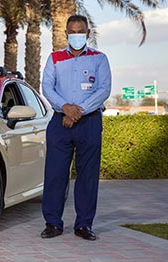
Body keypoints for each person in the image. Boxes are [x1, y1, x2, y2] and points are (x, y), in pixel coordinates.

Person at [40, 14, 111, 241]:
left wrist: (77, 111)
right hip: (60, 123)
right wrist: (65, 107)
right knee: (54, 175)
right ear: (66, 34)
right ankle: (52, 223)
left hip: (89, 123)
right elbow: (47, 88)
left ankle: (84, 225)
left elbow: (104, 90)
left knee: (88, 176)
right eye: (72, 32)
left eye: (81, 31)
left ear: (88, 34)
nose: (76, 35)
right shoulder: (55, 58)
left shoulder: (99, 59)